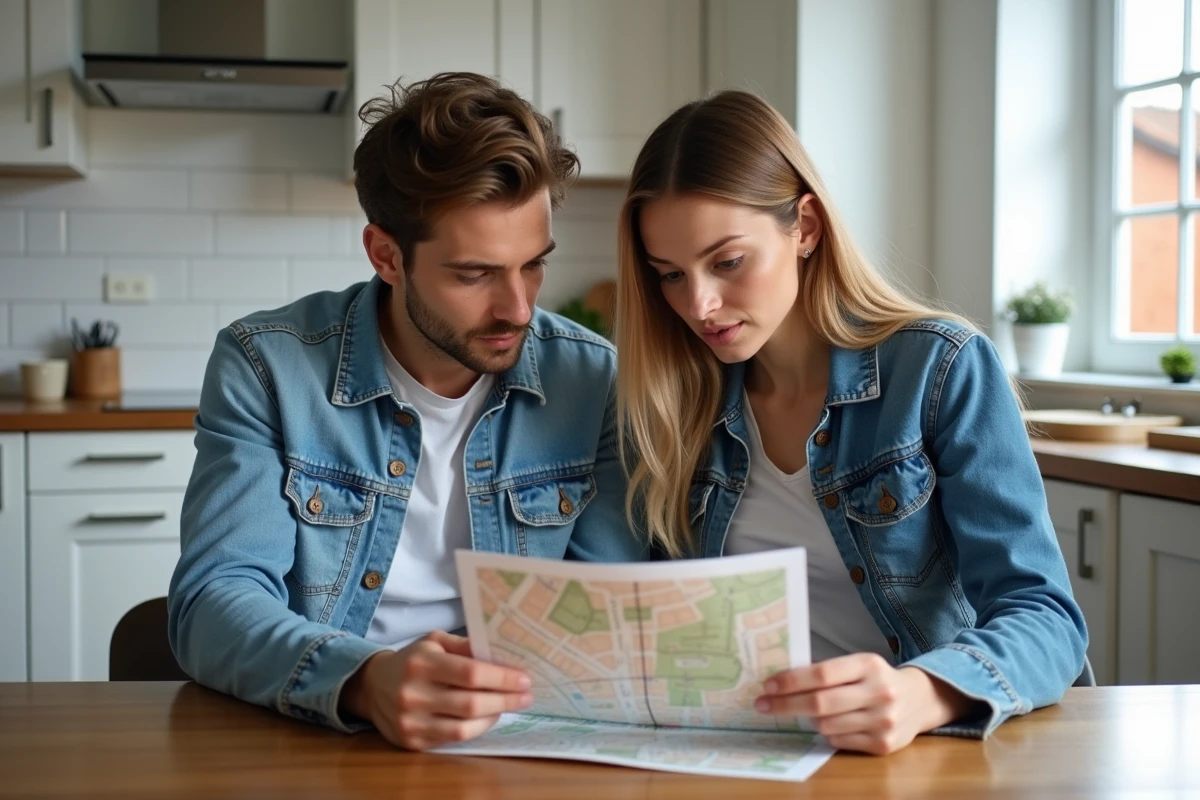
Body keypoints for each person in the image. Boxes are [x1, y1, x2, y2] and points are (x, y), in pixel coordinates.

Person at [168, 72, 649, 752]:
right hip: (321, 735)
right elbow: (212, 605)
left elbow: (605, 615)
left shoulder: (593, 379)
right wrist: (365, 678)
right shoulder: (267, 367)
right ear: (386, 256)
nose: (518, 307)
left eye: (533, 265)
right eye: (475, 274)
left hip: (517, 741)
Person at [615, 90, 1089, 756]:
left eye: (727, 262)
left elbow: (1047, 619)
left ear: (804, 226)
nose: (700, 304)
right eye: (669, 275)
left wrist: (922, 693)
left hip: (911, 754)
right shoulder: (674, 401)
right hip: (739, 751)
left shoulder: (937, 368)